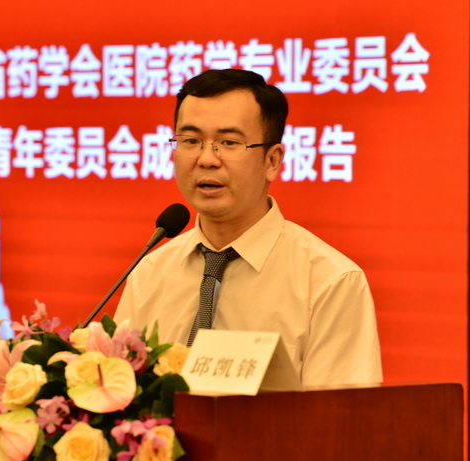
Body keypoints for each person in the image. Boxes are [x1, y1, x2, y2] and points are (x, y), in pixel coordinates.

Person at [114, 69, 382, 387]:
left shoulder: (329, 282)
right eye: (191, 141)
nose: (206, 159)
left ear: (272, 160)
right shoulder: (149, 273)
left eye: (229, 142)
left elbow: (340, 414)